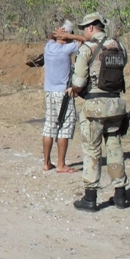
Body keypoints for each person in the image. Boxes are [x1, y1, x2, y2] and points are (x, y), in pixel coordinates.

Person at [67, 12, 130, 211]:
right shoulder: (119, 46)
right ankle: (120, 195)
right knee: (114, 148)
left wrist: (74, 90)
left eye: (84, 29)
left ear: (91, 27)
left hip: (95, 107)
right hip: (116, 105)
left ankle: (90, 197)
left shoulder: (88, 49)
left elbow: (79, 81)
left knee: (92, 151)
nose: (83, 33)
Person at [41, 20, 81, 173]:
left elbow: (51, 37)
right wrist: (70, 36)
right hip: (63, 93)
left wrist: (57, 33)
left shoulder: (49, 46)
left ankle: (46, 163)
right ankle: (61, 164)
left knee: (49, 126)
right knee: (64, 127)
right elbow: (86, 40)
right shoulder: (67, 49)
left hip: (49, 91)